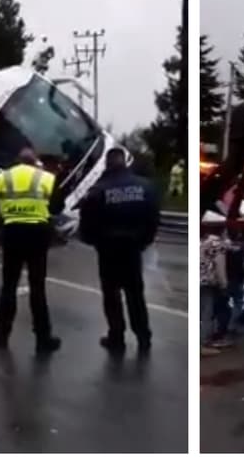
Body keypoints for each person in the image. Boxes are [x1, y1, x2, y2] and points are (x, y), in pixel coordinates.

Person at [79, 147, 160, 354]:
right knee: (135, 295)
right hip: (133, 249)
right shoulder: (145, 187)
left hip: (108, 251)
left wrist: (94, 242)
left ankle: (116, 336)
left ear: (107, 165)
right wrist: (144, 241)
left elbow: (86, 223)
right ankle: (143, 336)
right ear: (125, 163)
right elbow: (153, 217)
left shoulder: (98, 190)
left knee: (111, 296)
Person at [0, 147, 62, 354]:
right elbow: (57, 207)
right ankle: (43, 338)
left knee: (8, 286)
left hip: (12, 231)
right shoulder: (46, 178)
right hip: (37, 233)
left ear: (17, 161)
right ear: (34, 161)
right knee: (37, 288)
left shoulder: (2, 178)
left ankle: (1, 334)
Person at [199, 230, 238, 356]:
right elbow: (219, 265)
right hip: (208, 282)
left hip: (200, 281)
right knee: (207, 313)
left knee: (202, 312)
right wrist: (224, 284)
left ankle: (203, 341)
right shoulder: (217, 244)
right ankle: (203, 344)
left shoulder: (203, 242)